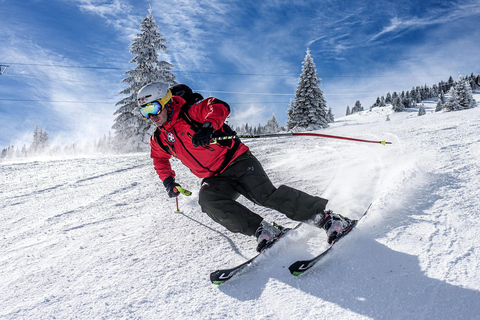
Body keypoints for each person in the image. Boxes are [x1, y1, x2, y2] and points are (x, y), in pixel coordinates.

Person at [138, 81, 355, 252]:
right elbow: (159, 159)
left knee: (264, 196)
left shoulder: (191, 112)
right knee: (208, 201)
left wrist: (207, 127)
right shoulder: (160, 138)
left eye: (154, 107)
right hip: (215, 178)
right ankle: (264, 230)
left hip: (237, 161)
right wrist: (168, 181)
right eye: (145, 111)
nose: (151, 116)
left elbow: (218, 106)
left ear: (166, 101)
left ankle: (328, 219)